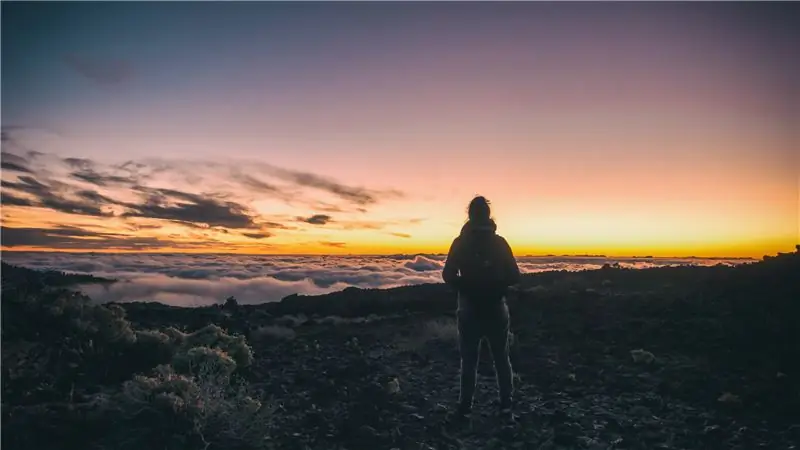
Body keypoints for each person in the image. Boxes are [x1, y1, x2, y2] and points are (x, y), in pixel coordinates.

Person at [442, 195, 521, 425]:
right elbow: (514, 276)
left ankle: (465, 410)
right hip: (496, 307)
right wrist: (496, 285)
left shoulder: (460, 243)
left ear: (469, 216)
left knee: (469, 361)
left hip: (468, 309)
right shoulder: (500, 243)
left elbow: (448, 275)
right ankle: (506, 408)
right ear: (488, 216)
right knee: (501, 358)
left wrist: (466, 286)